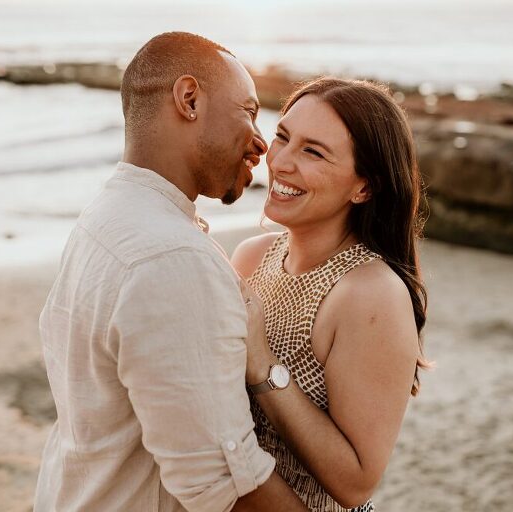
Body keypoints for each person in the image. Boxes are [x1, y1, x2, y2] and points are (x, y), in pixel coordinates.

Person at [34, 32, 307, 511]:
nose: (262, 143)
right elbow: (225, 489)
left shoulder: (104, 217)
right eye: (247, 110)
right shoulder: (172, 259)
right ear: (189, 99)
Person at [232, 77, 430, 511]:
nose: (281, 162)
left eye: (313, 152)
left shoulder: (370, 294)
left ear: (364, 187)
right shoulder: (251, 257)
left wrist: (261, 362)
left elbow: (356, 482)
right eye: (283, 137)